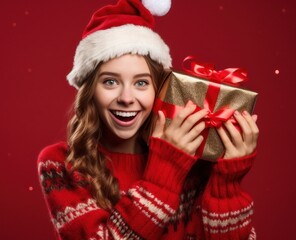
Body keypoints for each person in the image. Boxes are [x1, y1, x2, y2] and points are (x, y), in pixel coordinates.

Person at [37, 0, 259, 239]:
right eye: (110, 82)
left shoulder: (195, 163)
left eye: (141, 83)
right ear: (90, 91)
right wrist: (168, 166)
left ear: (160, 90)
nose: (126, 98)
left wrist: (227, 184)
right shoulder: (60, 164)